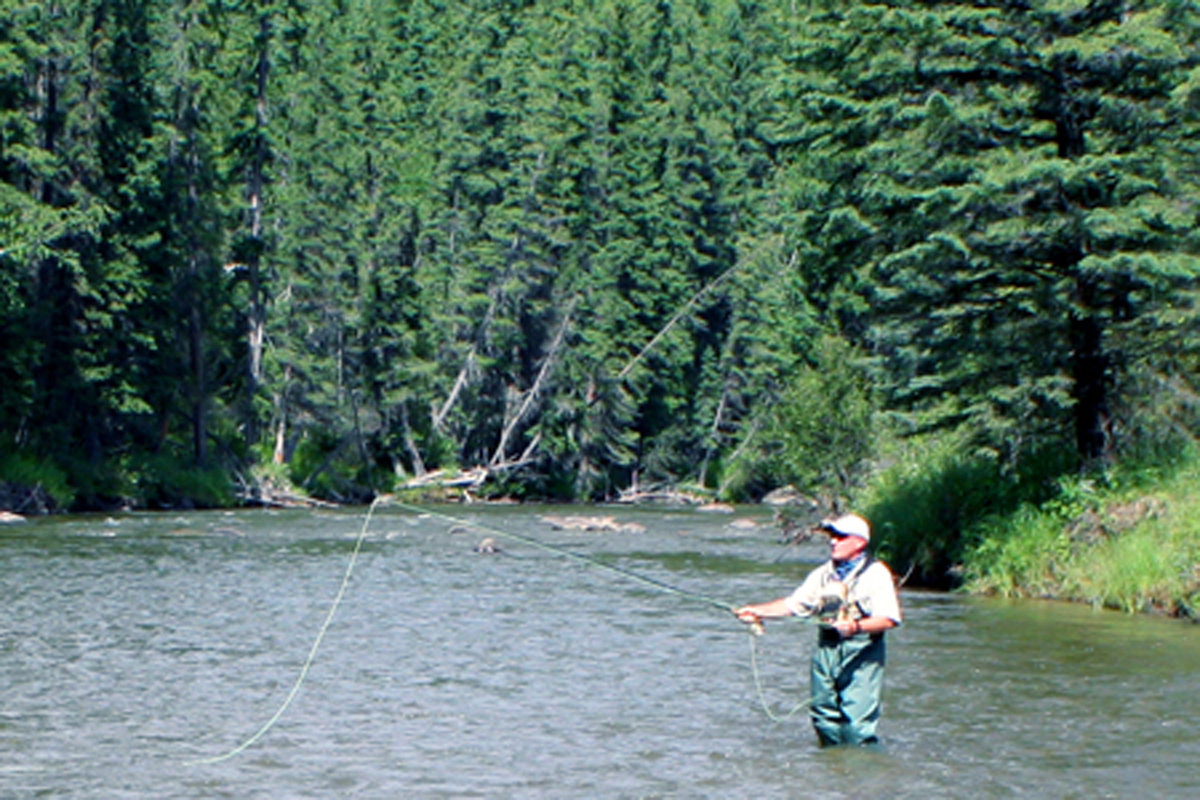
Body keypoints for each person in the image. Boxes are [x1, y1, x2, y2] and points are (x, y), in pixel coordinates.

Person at [735, 513, 902, 747]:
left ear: (860, 542)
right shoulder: (823, 573)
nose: (833, 541)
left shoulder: (876, 573)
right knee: (824, 721)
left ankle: (866, 776)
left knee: (856, 727)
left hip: (863, 652)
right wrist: (757, 611)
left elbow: (889, 619)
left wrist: (855, 627)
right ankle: (833, 776)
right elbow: (794, 605)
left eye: (841, 537)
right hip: (826, 649)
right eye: (832, 536)